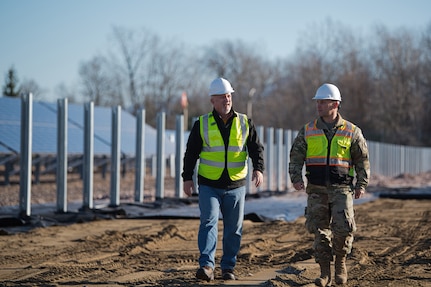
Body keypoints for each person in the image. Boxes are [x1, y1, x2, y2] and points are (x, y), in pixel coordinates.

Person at [182, 77, 265, 282]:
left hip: (236, 184)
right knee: (208, 222)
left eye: (229, 96)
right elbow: (191, 153)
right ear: (213, 101)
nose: (227, 100)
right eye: (222, 97)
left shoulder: (245, 122)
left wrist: (259, 169)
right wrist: (187, 178)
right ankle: (207, 266)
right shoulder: (202, 123)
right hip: (209, 183)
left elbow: (256, 148)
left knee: (233, 228)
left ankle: (228, 267)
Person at [289, 83, 370, 286]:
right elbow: (296, 156)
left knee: (343, 228)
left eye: (323, 102)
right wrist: (296, 178)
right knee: (320, 231)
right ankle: (324, 272)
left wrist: (362, 184)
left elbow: (362, 160)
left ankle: (340, 263)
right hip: (316, 189)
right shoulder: (308, 130)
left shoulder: (352, 131)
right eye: (317, 101)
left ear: (335, 104)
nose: (319, 105)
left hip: (342, 189)